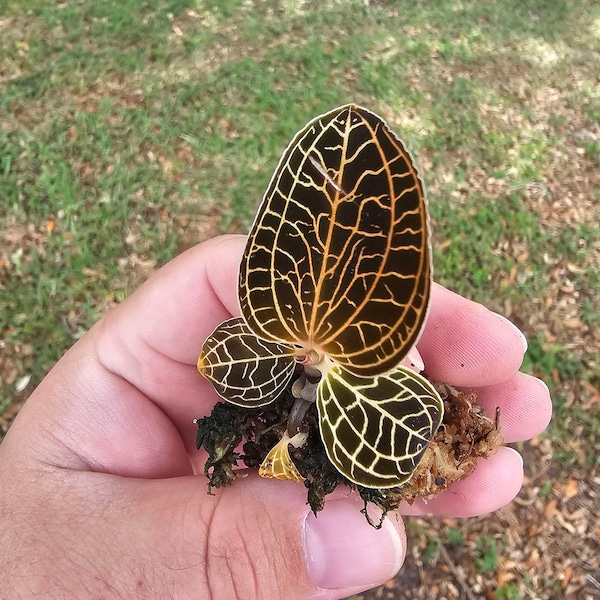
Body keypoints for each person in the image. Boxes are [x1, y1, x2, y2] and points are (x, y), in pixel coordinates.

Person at [0, 235, 551, 599]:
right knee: (293, 440)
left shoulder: (350, 359)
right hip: (303, 393)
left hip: (351, 391)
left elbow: (403, 416)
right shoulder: (278, 357)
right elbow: (228, 359)